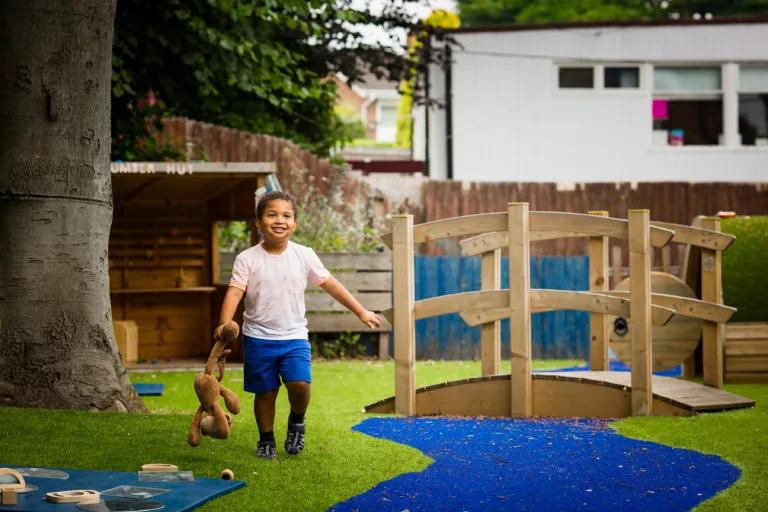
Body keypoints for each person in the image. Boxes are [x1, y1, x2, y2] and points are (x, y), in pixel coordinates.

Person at [215, 191, 381, 460]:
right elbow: (235, 292)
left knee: (300, 384)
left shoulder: (304, 255)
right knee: (265, 392)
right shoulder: (247, 258)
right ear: (258, 223)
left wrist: (361, 311)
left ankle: (297, 420)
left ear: (294, 224)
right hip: (258, 338)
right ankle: (266, 439)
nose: (279, 220)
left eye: (286, 215)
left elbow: (331, 285)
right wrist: (225, 326)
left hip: (294, 336)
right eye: (271, 214)